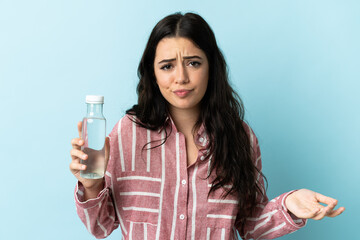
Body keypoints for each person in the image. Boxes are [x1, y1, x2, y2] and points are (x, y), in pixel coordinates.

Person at [69, 12, 345, 239]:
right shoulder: (126, 134)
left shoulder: (241, 138)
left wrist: (289, 206)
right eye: (167, 66)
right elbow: (101, 227)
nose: (181, 77)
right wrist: (91, 185)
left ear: (211, 67)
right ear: (152, 75)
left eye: (193, 63)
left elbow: (250, 224)